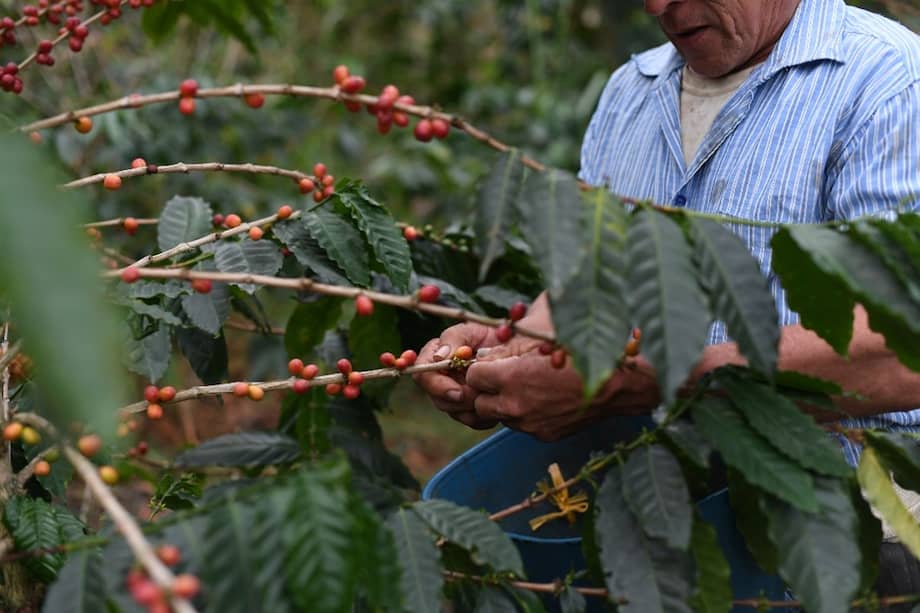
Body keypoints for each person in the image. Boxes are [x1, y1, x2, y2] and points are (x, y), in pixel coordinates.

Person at [414, 0, 920, 604]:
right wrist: (509, 346)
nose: (658, 5)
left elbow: (902, 351)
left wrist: (659, 378)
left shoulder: (889, 81)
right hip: (665, 523)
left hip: (854, 533)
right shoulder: (631, 92)